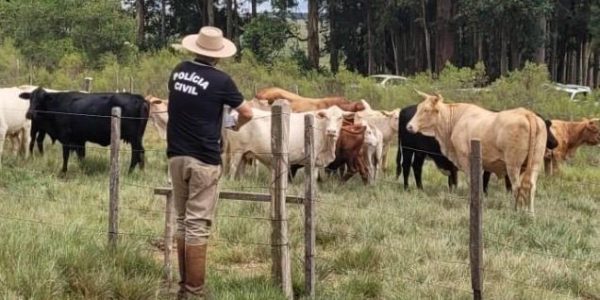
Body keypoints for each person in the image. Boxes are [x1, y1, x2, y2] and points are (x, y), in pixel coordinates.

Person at [167, 26, 253, 299]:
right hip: (204, 158)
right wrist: (234, 124)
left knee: (182, 220)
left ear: (195, 49)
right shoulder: (221, 81)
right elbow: (247, 112)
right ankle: (195, 291)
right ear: (219, 55)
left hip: (176, 155)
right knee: (197, 224)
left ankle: (183, 287)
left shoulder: (178, 71)